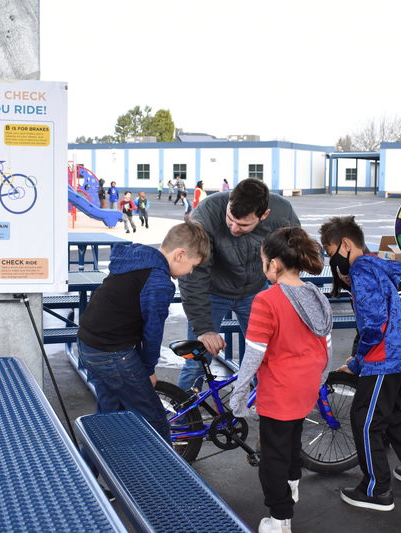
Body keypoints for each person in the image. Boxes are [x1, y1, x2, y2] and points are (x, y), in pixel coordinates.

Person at [328, 216, 401, 512]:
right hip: (396, 354)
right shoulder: (375, 266)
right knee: (391, 413)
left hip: (384, 357)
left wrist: (359, 361)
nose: (333, 263)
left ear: (346, 244)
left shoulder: (362, 270)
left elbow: (375, 323)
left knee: (365, 420)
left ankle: (376, 490)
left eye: (331, 253)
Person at [228, 227, 331, 533]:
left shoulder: (266, 300)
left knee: (272, 455)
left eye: (263, 261)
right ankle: (292, 485)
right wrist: (319, 379)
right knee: (292, 438)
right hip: (307, 386)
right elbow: (326, 344)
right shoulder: (316, 295)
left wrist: (240, 390)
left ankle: (280, 518)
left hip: (279, 390)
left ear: (274, 264)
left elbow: (254, 354)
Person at [77, 222, 210, 441]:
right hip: (112, 352)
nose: (191, 272)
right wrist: (148, 368)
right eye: (193, 265)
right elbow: (152, 331)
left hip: (89, 344)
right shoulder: (158, 281)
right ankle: (164, 473)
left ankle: (88, 469)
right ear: (180, 255)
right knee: (155, 421)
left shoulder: (134, 260)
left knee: (108, 416)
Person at [177, 178, 300, 392]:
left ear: (264, 215)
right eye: (230, 219)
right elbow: (192, 274)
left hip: (254, 290)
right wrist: (204, 329)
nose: (234, 228)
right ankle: (183, 416)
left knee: (266, 355)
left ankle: (268, 409)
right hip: (212, 293)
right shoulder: (205, 215)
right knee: (197, 360)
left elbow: (296, 251)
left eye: (243, 224)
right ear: (228, 203)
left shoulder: (282, 212)